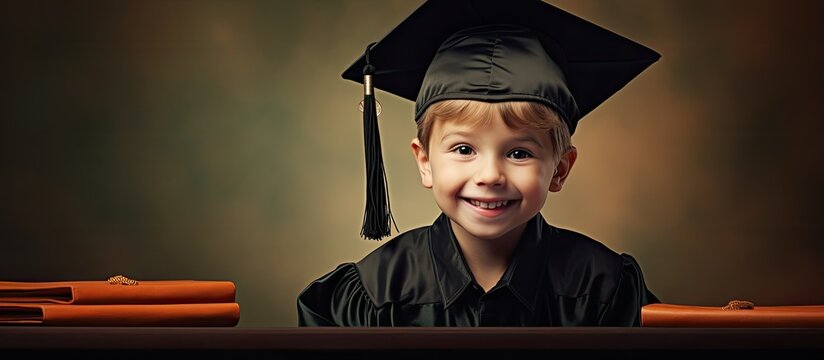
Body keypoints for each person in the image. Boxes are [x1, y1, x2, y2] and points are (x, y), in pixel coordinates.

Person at [297, 0, 660, 326]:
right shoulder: (371, 295)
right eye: (464, 150)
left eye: (519, 153)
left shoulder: (605, 288)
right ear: (424, 162)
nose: (489, 176)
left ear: (560, 169)